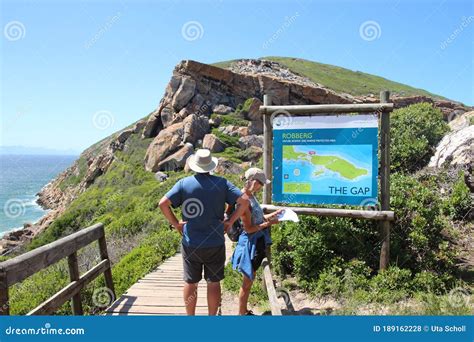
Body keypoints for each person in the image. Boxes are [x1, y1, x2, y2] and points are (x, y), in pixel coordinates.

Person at [159, 149, 247, 315]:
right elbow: (244, 201)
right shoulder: (222, 183)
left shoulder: (183, 184)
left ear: (194, 166)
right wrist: (230, 222)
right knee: (213, 282)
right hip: (215, 242)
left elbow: (163, 204)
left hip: (191, 243)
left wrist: (177, 224)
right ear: (210, 166)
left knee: (191, 282)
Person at [229, 168, 283, 315]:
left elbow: (258, 218)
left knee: (249, 281)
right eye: (261, 183)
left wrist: (274, 215)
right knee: (247, 283)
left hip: (256, 242)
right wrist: (270, 224)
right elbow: (249, 228)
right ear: (253, 182)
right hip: (250, 244)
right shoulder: (244, 200)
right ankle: (242, 313)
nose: (262, 186)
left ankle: (244, 310)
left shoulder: (251, 196)